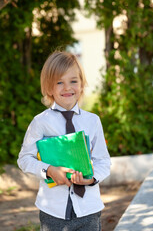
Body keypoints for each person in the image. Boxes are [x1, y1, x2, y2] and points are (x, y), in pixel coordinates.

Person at [17, 51, 111, 231]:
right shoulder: (40, 122)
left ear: (82, 84)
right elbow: (24, 159)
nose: (67, 87)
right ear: (49, 88)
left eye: (73, 81)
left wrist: (91, 179)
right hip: (53, 212)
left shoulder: (93, 121)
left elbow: (103, 161)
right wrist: (49, 170)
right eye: (59, 82)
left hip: (89, 210)